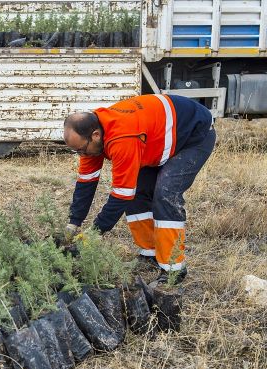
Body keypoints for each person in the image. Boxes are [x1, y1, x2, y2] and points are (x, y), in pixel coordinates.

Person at [63, 94, 215, 284]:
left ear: (95, 135)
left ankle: (173, 270)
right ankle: (150, 253)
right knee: (137, 193)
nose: (81, 155)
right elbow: (86, 182)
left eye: (82, 150)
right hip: (155, 139)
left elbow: (120, 195)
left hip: (193, 135)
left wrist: (93, 234)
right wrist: (73, 222)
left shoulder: (122, 138)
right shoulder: (91, 138)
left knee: (165, 193)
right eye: (77, 151)